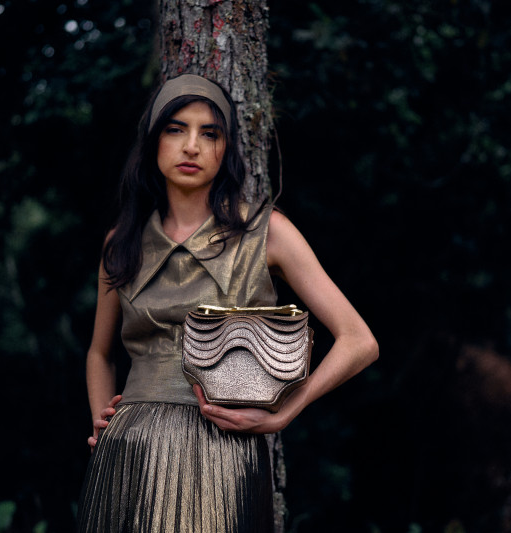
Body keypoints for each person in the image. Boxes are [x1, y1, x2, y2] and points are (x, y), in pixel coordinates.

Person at [77, 73, 378, 532]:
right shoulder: (120, 243)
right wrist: (103, 424)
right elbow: (100, 353)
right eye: (176, 129)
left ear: (227, 148)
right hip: (129, 452)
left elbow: (359, 341)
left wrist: (286, 411)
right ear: (153, 141)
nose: (192, 146)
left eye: (210, 133)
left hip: (223, 454)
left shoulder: (267, 232)